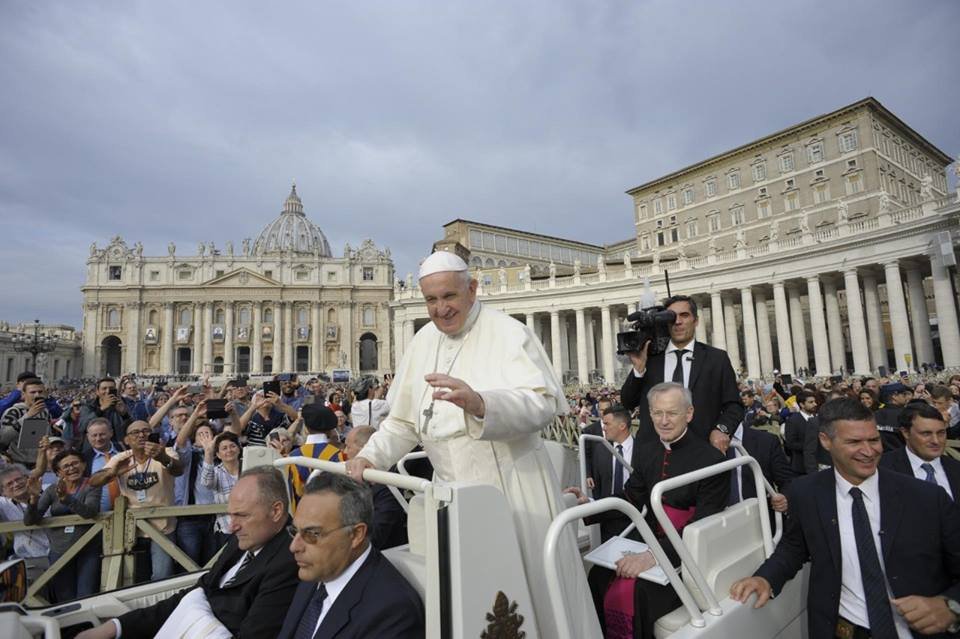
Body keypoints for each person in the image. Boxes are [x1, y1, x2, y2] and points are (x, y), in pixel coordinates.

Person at [345, 250, 600, 638]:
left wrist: (482, 403)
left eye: (449, 297)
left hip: (515, 492)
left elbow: (543, 404)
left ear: (472, 289)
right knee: (468, 604)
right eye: (431, 300)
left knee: (532, 602)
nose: (440, 310)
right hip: (451, 498)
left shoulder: (509, 332)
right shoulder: (421, 341)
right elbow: (402, 422)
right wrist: (369, 457)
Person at [730, 398, 960, 639]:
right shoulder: (805, 492)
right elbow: (795, 546)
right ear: (825, 441)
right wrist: (765, 577)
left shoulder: (926, 497)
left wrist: (950, 606)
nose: (869, 451)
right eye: (854, 442)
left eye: (873, 440)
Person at [572, 383, 728, 638]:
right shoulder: (648, 451)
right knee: (599, 577)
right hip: (650, 539)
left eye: (672, 413)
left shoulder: (712, 460)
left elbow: (702, 525)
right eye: (657, 413)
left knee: (640, 591)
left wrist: (651, 558)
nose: (664, 421)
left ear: (688, 414)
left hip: (687, 553)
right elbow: (632, 497)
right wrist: (589, 506)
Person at [77, 467, 300, 639]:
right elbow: (195, 594)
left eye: (242, 515)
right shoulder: (244, 540)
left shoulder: (288, 563)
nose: (232, 526)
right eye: (231, 515)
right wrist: (114, 627)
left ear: (276, 510)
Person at [278, 472, 423, 639]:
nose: (294, 546)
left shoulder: (391, 612)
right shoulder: (319, 571)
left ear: (356, 535)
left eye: (312, 533)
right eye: (295, 531)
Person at [619, 294, 743, 451]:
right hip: (654, 454)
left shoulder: (716, 359)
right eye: (671, 317)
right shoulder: (650, 358)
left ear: (696, 320)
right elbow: (627, 402)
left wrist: (722, 429)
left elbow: (734, 405)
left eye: (684, 315)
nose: (677, 322)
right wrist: (638, 369)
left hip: (701, 450)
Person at [88, 420, 183, 582]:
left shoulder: (166, 452)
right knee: (136, 577)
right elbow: (94, 481)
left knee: (162, 575)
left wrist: (162, 458)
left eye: (146, 431)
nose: (141, 435)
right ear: (126, 440)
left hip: (163, 527)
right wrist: (113, 473)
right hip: (132, 529)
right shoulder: (121, 458)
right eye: (135, 432)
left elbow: (178, 469)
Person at [23, 449, 102, 601]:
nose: (71, 468)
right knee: (64, 596)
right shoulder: (52, 489)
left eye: (75, 463)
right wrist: (33, 498)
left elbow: (90, 512)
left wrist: (67, 499)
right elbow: (29, 520)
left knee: (86, 594)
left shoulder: (91, 485)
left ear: (84, 465)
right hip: (60, 550)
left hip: (88, 548)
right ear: (58, 472)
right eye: (66, 466)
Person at [565, 404, 636, 543]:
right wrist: (588, 503)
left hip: (637, 523)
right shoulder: (600, 450)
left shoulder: (644, 451)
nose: (603, 428)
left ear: (622, 426)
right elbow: (599, 491)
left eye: (607, 424)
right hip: (608, 524)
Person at [341, 426, 407, 549]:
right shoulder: (344, 478)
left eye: (348, 447)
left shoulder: (388, 485)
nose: (345, 452)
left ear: (365, 448)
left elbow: (376, 535)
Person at [879, 402, 960, 500]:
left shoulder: (956, 468)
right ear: (906, 433)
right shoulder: (882, 468)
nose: (936, 441)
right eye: (926, 434)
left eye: (941, 433)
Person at [287, 403, 343, 512]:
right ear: (330, 430)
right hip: (332, 513)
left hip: (302, 512)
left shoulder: (292, 457)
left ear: (306, 429)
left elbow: (292, 497)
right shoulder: (339, 455)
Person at [0, 464, 50, 584]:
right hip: (29, 560)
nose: (16, 484)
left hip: (60, 555)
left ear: (27, 478)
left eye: (18, 479)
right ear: (3, 492)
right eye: (9, 484)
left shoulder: (48, 490)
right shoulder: (4, 504)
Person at [200, 430, 242, 548]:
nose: (229, 450)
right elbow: (206, 482)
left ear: (239, 449)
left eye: (232, 446)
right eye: (224, 448)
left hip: (250, 528)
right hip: (227, 529)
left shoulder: (249, 466)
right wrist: (208, 452)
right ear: (218, 454)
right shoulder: (217, 472)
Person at [0, 377, 52, 465]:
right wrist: (27, 416)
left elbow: (48, 435)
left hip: (39, 462)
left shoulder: (45, 412)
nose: (37, 395)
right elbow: (4, 438)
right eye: (32, 392)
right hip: (18, 462)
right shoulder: (14, 411)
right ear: (23, 394)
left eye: (40, 392)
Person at [81, 418, 122, 513]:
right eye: (94, 435)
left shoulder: (124, 449)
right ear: (88, 436)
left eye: (102, 434)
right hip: (99, 515)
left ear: (111, 433)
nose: (98, 439)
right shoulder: (84, 459)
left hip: (129, 511)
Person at [77, 378, 131, 447]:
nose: (108, 391)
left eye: (111, 388)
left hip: (117, 447)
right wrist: (101, 409)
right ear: (97, 392)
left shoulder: (122, 404)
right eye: (104, 388)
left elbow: (132, 427)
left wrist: (125, 415)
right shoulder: (88, 407)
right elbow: (82, 427)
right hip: (93, 448)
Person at [783, 390, 818, 474]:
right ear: (802, 404)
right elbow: (791, 443)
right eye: (811, 402)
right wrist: (812, 446)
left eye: (815, 401)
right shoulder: (793, 421)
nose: (815, 404)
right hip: (801, 466)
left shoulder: (818, 418)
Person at [875, 382, 913, 451]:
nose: (906, 397)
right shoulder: (906, 415)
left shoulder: (874, 415)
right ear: (894, 396)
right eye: (904, 394)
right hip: (902, 456)